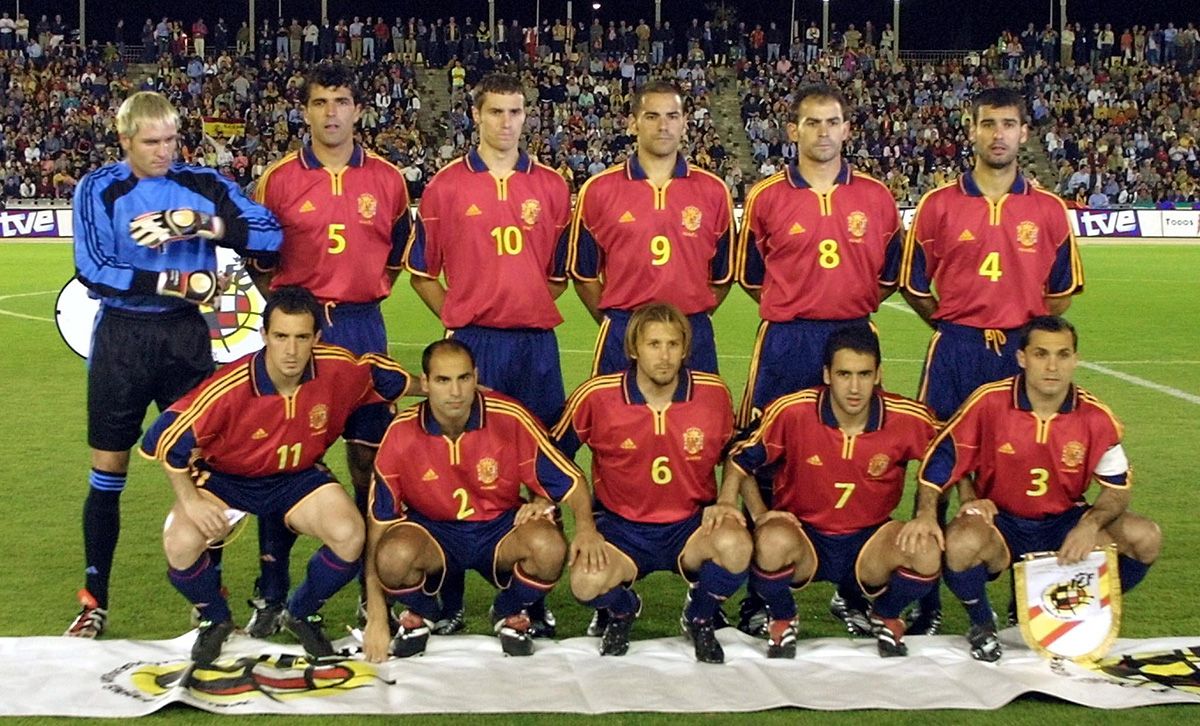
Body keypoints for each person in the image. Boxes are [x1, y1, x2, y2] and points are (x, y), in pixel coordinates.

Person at [66, 91, 282, 638]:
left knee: (205, 470)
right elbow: (94, 268)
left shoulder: (204, 184)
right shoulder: (98, 187)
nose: (163, 151)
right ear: (125, 140)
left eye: (169, 140)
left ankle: (209, 600)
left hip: (185, 337)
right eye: (150, 142)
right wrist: (175, 280)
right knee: (107, 472)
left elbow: (270, 233)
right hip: (121, 337)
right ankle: (95, 600)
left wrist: (199, 223)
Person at [141, 286, 416, 663]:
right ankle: (214, 619)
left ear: (316, 338)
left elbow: (387, 378)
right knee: (180, 543)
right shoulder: (229, 387)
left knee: (350, 534)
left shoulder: (338, 368)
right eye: (281, 337)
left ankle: (302, 611)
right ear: (264, 336)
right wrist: (190, 501)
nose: (291, 350)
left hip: (297, 478)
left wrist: (443, 388)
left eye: (302, 337)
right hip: (226, 481)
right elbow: (164, 440)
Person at [898, 86, 1083, 634]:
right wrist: (958, 321)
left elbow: (1060, 294)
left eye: (1008, 124)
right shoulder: (938, 204)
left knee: (1020, 463)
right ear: (971, 131)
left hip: (1021, 352)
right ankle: (925, 595)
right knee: (937, 461)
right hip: (955, 347)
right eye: (988, 124)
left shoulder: (1048, 210)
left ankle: (1025, 591)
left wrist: (1017, 329)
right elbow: (913, 285)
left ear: (1024, 133)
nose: (998, 134)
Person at [403, 72, 573, 637]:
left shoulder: (551, 185)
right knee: (457, 459)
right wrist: (459, 317)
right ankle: (446, 594)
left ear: (528, 116)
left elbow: (556, 276)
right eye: (495, 111)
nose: (506, 122)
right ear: (475, 116)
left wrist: (518, 302)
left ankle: (528, 593)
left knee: (540, 468)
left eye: (516, 112)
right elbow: (421, 272)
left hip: (535, 345)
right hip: (473, 344)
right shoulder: (446, 186)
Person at [734, 83, 904, 636]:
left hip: (853, 336)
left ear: (847, 129)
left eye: (832, 122)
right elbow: (752, 277)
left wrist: (845, 311)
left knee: (855, 452)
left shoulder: (877, 197)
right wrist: (798, 306)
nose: (823, 132)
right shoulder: (766, 196)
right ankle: (760, 595)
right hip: (785, 340)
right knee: (762, 454)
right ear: (793, 130)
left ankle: (856, 589)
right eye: (811, 123)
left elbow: (889, 272)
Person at [250, 62, 412, 636]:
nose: (332, 113)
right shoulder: (277, 180)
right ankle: (271, 590)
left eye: (342, 101)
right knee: (284, 459)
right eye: (320, 102)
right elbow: (262, 263)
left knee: (371, 464)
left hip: (365, 330)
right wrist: (300, 318)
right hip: (304, 334)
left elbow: (395, 253)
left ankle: (373, 592)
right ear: (306, 110)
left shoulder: (389, 179)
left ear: (358, 110)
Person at [913, 316, 1161, 661]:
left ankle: (1071, 607)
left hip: (1063, 525)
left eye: (1062, 355)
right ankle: (982, 623)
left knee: (1145, 536)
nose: (1052, 366)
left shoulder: (1096, 417)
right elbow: (942, 460)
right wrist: (931, 511)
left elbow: (1117, 489)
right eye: (1041, 354)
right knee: (960, 543)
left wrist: (1088, 525)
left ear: (1076, 359)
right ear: (1021, 358)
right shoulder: (988, 402)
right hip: (1001, 523)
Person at [362, 339, 607, 660]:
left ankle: (508, 611)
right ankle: (422, 613)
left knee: (549, 547)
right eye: (442, 380)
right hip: (432, 534)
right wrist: (378, 619)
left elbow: (570, 481)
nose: (455, 392)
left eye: (463, 378)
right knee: (392, 555)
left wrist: (586, 528)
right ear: (425, 383)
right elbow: (376, 532)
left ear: (476, 377)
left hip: (499, 528)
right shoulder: (401, 433)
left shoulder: (510, 417)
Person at [725, 325, 942, 658]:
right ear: (827, 374)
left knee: (926, 548)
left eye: (864, 374)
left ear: (878, 374)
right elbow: (740, 457)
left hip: (870, 541)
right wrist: (758, 514)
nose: (855, 387)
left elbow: (949, 455)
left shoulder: (906, 417)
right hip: (804, 537)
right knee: (770, 539)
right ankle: (783, 617)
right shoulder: (792, 410)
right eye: (844, 374)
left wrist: (927, 512)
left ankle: (885, 614)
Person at [554, 303, 750, 663]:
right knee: (584, 582)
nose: (664, 356)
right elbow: (553, 456)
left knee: (737, 546)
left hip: (690, 526)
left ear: (685, 349)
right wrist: (582, 523)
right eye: (654, 344)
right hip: (621, 529)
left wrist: (726, 498)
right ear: (633, 349)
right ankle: (623, 609)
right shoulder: (597, 396)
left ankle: (700, 616)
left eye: (673, 345)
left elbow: (739, 452)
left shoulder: (713, 393)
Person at [568, 80, 735, 376]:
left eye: (672, 116)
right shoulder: (598, 190)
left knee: (696, 420)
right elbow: (583, 274)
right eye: (652, 116)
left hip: (691, 330)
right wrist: (618, 322)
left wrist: (683, 320)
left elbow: (722, 276)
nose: (663, 126)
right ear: (633, 123)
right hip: (624, 328)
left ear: (684, 122)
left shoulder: (713, 190)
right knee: (617, 420)